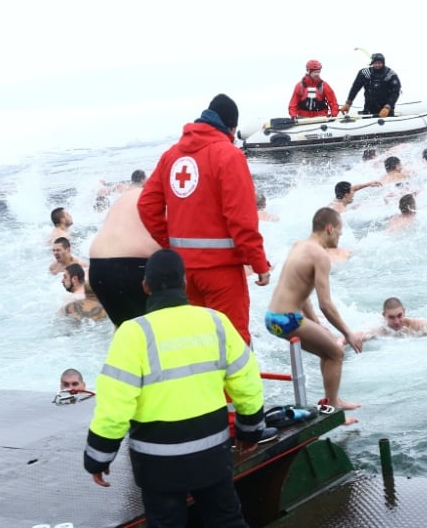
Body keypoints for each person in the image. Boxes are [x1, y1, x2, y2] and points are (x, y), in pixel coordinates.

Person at [84, 249, 269, 528]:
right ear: (184, 284)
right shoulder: (216, 322)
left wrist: (99, 456)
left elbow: (115, 405)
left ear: (145, 287)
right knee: (227, 520)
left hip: (158, 464)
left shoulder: (133, 333)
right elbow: (247, 383)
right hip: (212, 455)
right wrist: (250, 430)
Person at [138, 94, 272, 345]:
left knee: (197, 345)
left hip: (184, 273)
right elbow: (242, 219)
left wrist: (170, 246)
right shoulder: (228, 155)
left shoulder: (171, 156)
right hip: (221, 272)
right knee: (231, 345)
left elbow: (146, 205)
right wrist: (259, 263)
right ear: (231, 127)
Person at [265, 208, 362, 412]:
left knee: (327, 350)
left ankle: (332, 399)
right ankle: (334, 406)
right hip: (288, 319)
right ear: (329, 228)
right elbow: (325, 304)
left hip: (272, 317)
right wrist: (348, 333)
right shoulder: (321, 256)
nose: (339, 236)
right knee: (336, 352)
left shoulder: (298, 245)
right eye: (339, 232)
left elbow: (303, 294)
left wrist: (316, 325)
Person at [89, 186, 162, 327]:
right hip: (132, 265)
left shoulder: (127, 196)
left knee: (124, 330)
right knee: (153, 330)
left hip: (97, 268)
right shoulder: (164, 196)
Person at [340, 52, 401, 117]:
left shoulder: (391, 74)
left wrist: (388, 106)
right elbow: (355, 88)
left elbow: (396, 92)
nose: (377, 65)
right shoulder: (365, 73)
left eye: (379, 63)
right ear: (372, 63)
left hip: (386, 110)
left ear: (383, 63)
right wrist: (348, 102)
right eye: (375, 63)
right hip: (369, 108)